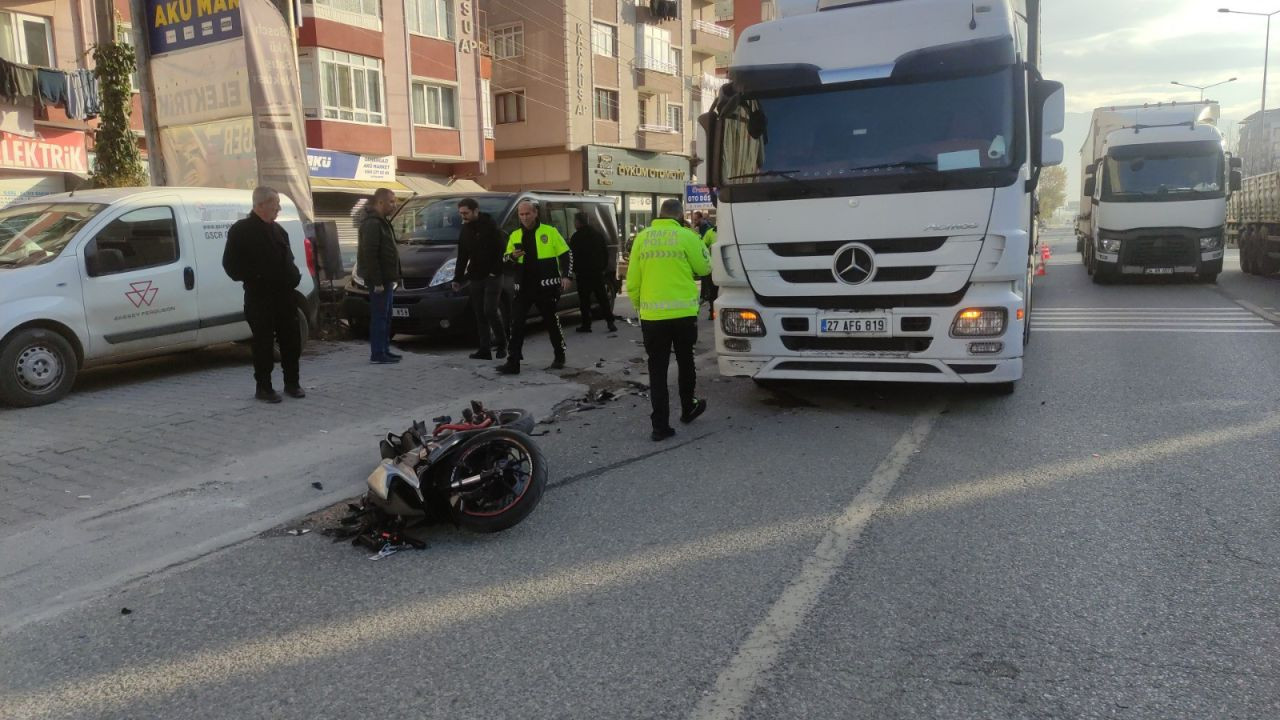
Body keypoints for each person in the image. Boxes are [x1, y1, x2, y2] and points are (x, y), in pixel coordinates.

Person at [625, 199, 711, 441]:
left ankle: (660, 426)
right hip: (683, 314)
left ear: (659, 215)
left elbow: (632, 281)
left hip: (653, 317)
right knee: (686, 361)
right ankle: (688, 407)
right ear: (680, 216)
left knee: (657, 370)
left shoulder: (642, 238)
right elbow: (704, 268)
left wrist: (639, 307)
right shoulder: (687, 236)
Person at [222, 186, 305, 403]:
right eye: (274, 204)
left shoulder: (279, 231)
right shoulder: (241, 231)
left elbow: (289, 260)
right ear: (260, 205)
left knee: (290, 340)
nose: (278, 208)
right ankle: (264, 387)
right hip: (260, 298)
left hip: (285, 296)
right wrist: (258, 277)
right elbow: (231, 266)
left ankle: (292, 383)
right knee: (263, 343)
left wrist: (294, 276)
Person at [497, 200, 573, 375]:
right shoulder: (515, 235)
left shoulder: (550, 232)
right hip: (523, 287)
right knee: (515, 325)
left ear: (535, 213)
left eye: (527, 213)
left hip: (546, 287)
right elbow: (504, 261)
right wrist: (512, 257)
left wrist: (567, 276)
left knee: (551, 323)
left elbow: (566, 253)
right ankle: (513, 361)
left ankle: (559, 354)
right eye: (521, 214)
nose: (524, 217)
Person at [453, 198, 508, 360]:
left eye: (466, 213)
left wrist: (495, 271)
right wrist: (457, 278)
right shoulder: (465, 230)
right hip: (475, 276)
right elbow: (462, 256)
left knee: (490, 310)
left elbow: (502, 251)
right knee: (479, 313)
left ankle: (502, 343)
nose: (463, 216)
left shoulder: (491, 227)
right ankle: (484, 349)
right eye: (461, 213)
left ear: (476, 211)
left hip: (493, 276)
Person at [358, 188, 403, 364]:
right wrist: (377, 282)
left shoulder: (382, 221)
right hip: (379, 280)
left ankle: (384, 349)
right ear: (380, 202)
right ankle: (377, 353)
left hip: (387, 278)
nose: (394, 205)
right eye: (391, 201)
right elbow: (370, 253)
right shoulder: (373, 223)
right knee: (379, 317)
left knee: (386, 316)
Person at [569, 212, 617, 334]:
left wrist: (574, 270)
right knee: (602, 299)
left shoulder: (576, 237)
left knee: (584, 301)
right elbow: (605, 253)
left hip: (583, 274)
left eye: (575, 221)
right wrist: (602, 267)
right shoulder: (597, 235)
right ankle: (610, 322)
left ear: (578, 222)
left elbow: (572, 256)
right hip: (597, 273)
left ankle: (586, 325)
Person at [700, 223, 718, 320]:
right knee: (712, 291)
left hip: (724, 266)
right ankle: (712, 312)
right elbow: (703, 245)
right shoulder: (710, 233)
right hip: (713, 266)